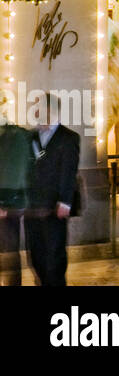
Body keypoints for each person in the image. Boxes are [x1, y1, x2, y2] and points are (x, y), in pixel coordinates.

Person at [26, 94, 79, 286]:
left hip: (54, 207)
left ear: (50, 110)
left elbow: (69, 171)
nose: (35, 111)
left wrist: (65, 201)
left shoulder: (69, 138)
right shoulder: (30, 136)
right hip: (32, 207)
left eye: (38, 107)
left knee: (55, 255)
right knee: (36, 254)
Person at [0, 105, 29, 286]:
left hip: (8, 205)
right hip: (9, 204)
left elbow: (15, 171)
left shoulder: (15, 136)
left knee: (9, 253)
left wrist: (2, 202)